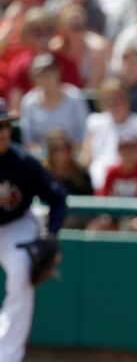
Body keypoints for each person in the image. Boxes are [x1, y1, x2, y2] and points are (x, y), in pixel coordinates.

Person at [0, 97, 68, 362]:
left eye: (5, 125)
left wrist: (50, 235)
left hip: (16, 222)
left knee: (21, 269)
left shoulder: (23, 162)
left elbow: (58, 199)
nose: (2, 132)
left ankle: (8, 356)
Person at [19, 53, 88, 157]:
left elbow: (84, 133)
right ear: (33, 77)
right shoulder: (28, 102)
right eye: (41, 73)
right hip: (41, 161)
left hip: (73, 157)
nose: (47, 76)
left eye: (51, 70)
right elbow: (28, 140)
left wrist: (65, 155)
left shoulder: (74, 97)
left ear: (59, 72)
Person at [98, 130, 137, 198]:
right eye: (124, 149)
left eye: (132, 149)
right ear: (119, 151)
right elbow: (103, 197)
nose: (128, 153)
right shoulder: (112, 172)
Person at [43, 129, 93, 196]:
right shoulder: (42, 176)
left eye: (66, 147)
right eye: (56, 149)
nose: (63, 153)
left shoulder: (82, 176)